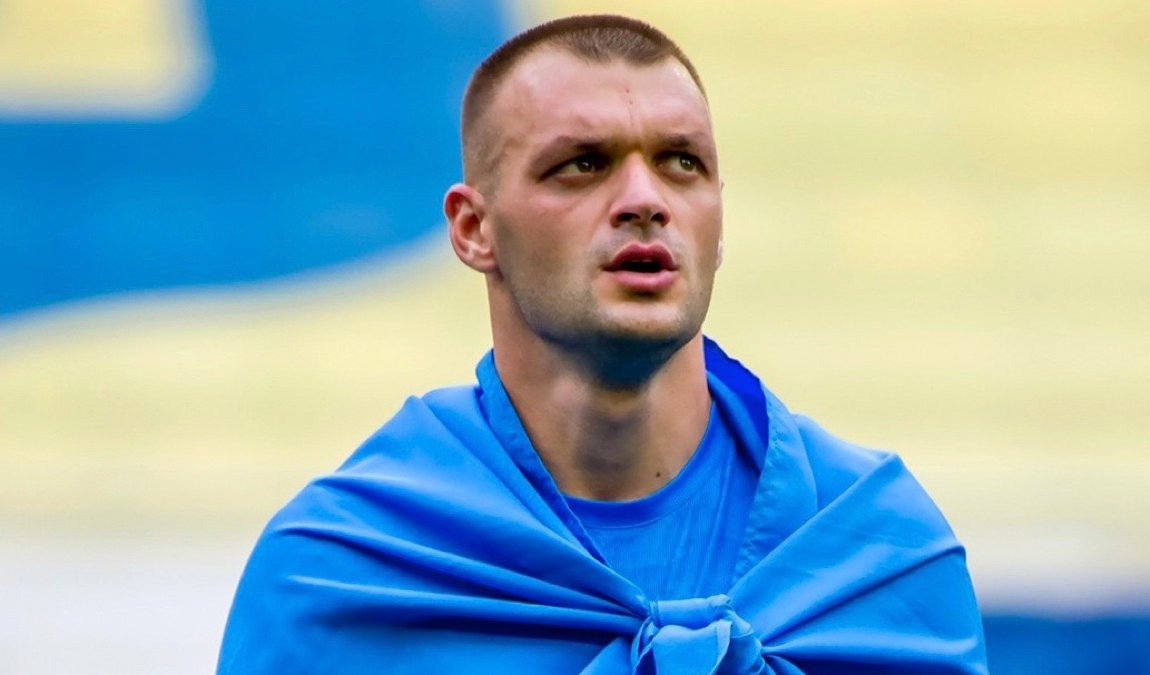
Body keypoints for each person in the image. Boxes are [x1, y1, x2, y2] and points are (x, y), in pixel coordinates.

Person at [218, 14, 988, 674]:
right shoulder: (345, 572)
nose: (645, 200)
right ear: (474, 229)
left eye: (682, 163)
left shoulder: (880, 555)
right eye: (582, 165)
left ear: (719, 218)